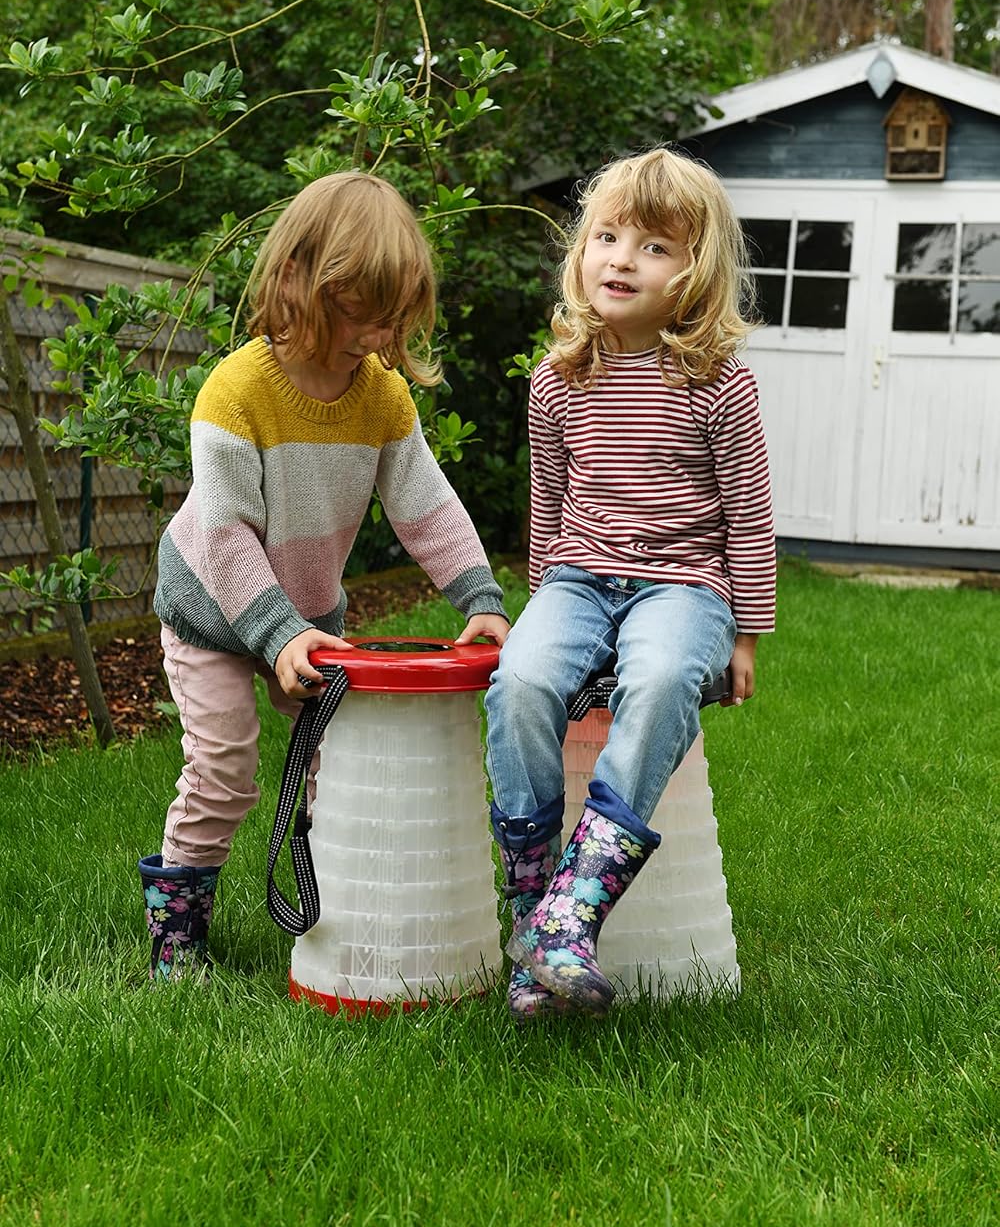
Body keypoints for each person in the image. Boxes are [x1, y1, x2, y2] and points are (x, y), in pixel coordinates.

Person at [140, 171, 508, 980]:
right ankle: (178, 931)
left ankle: (341, 925)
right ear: (301, 282)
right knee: (226, 766)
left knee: (333, 774)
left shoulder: (382, 399)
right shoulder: (233, 395)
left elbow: (428, 507)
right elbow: (226, 533)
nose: (379, 334)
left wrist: (479, 597)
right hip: (213, 612)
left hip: (308, 619)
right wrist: (275, 635)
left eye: (392, 316)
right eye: (362, 311)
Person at [485, 146, 775, 1020]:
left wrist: (746, 636)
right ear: (581, 254)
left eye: (653, 246)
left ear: (697, 272)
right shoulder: (556, 381)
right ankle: (534, 909)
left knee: (656, 682)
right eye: (607, 236)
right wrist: (540, 606)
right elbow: (547, 505)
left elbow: (749, 513)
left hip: (686, 585)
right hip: (577, 578)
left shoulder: (718, 384)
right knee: (521, 681)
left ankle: (574, 912)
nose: (621, 257)